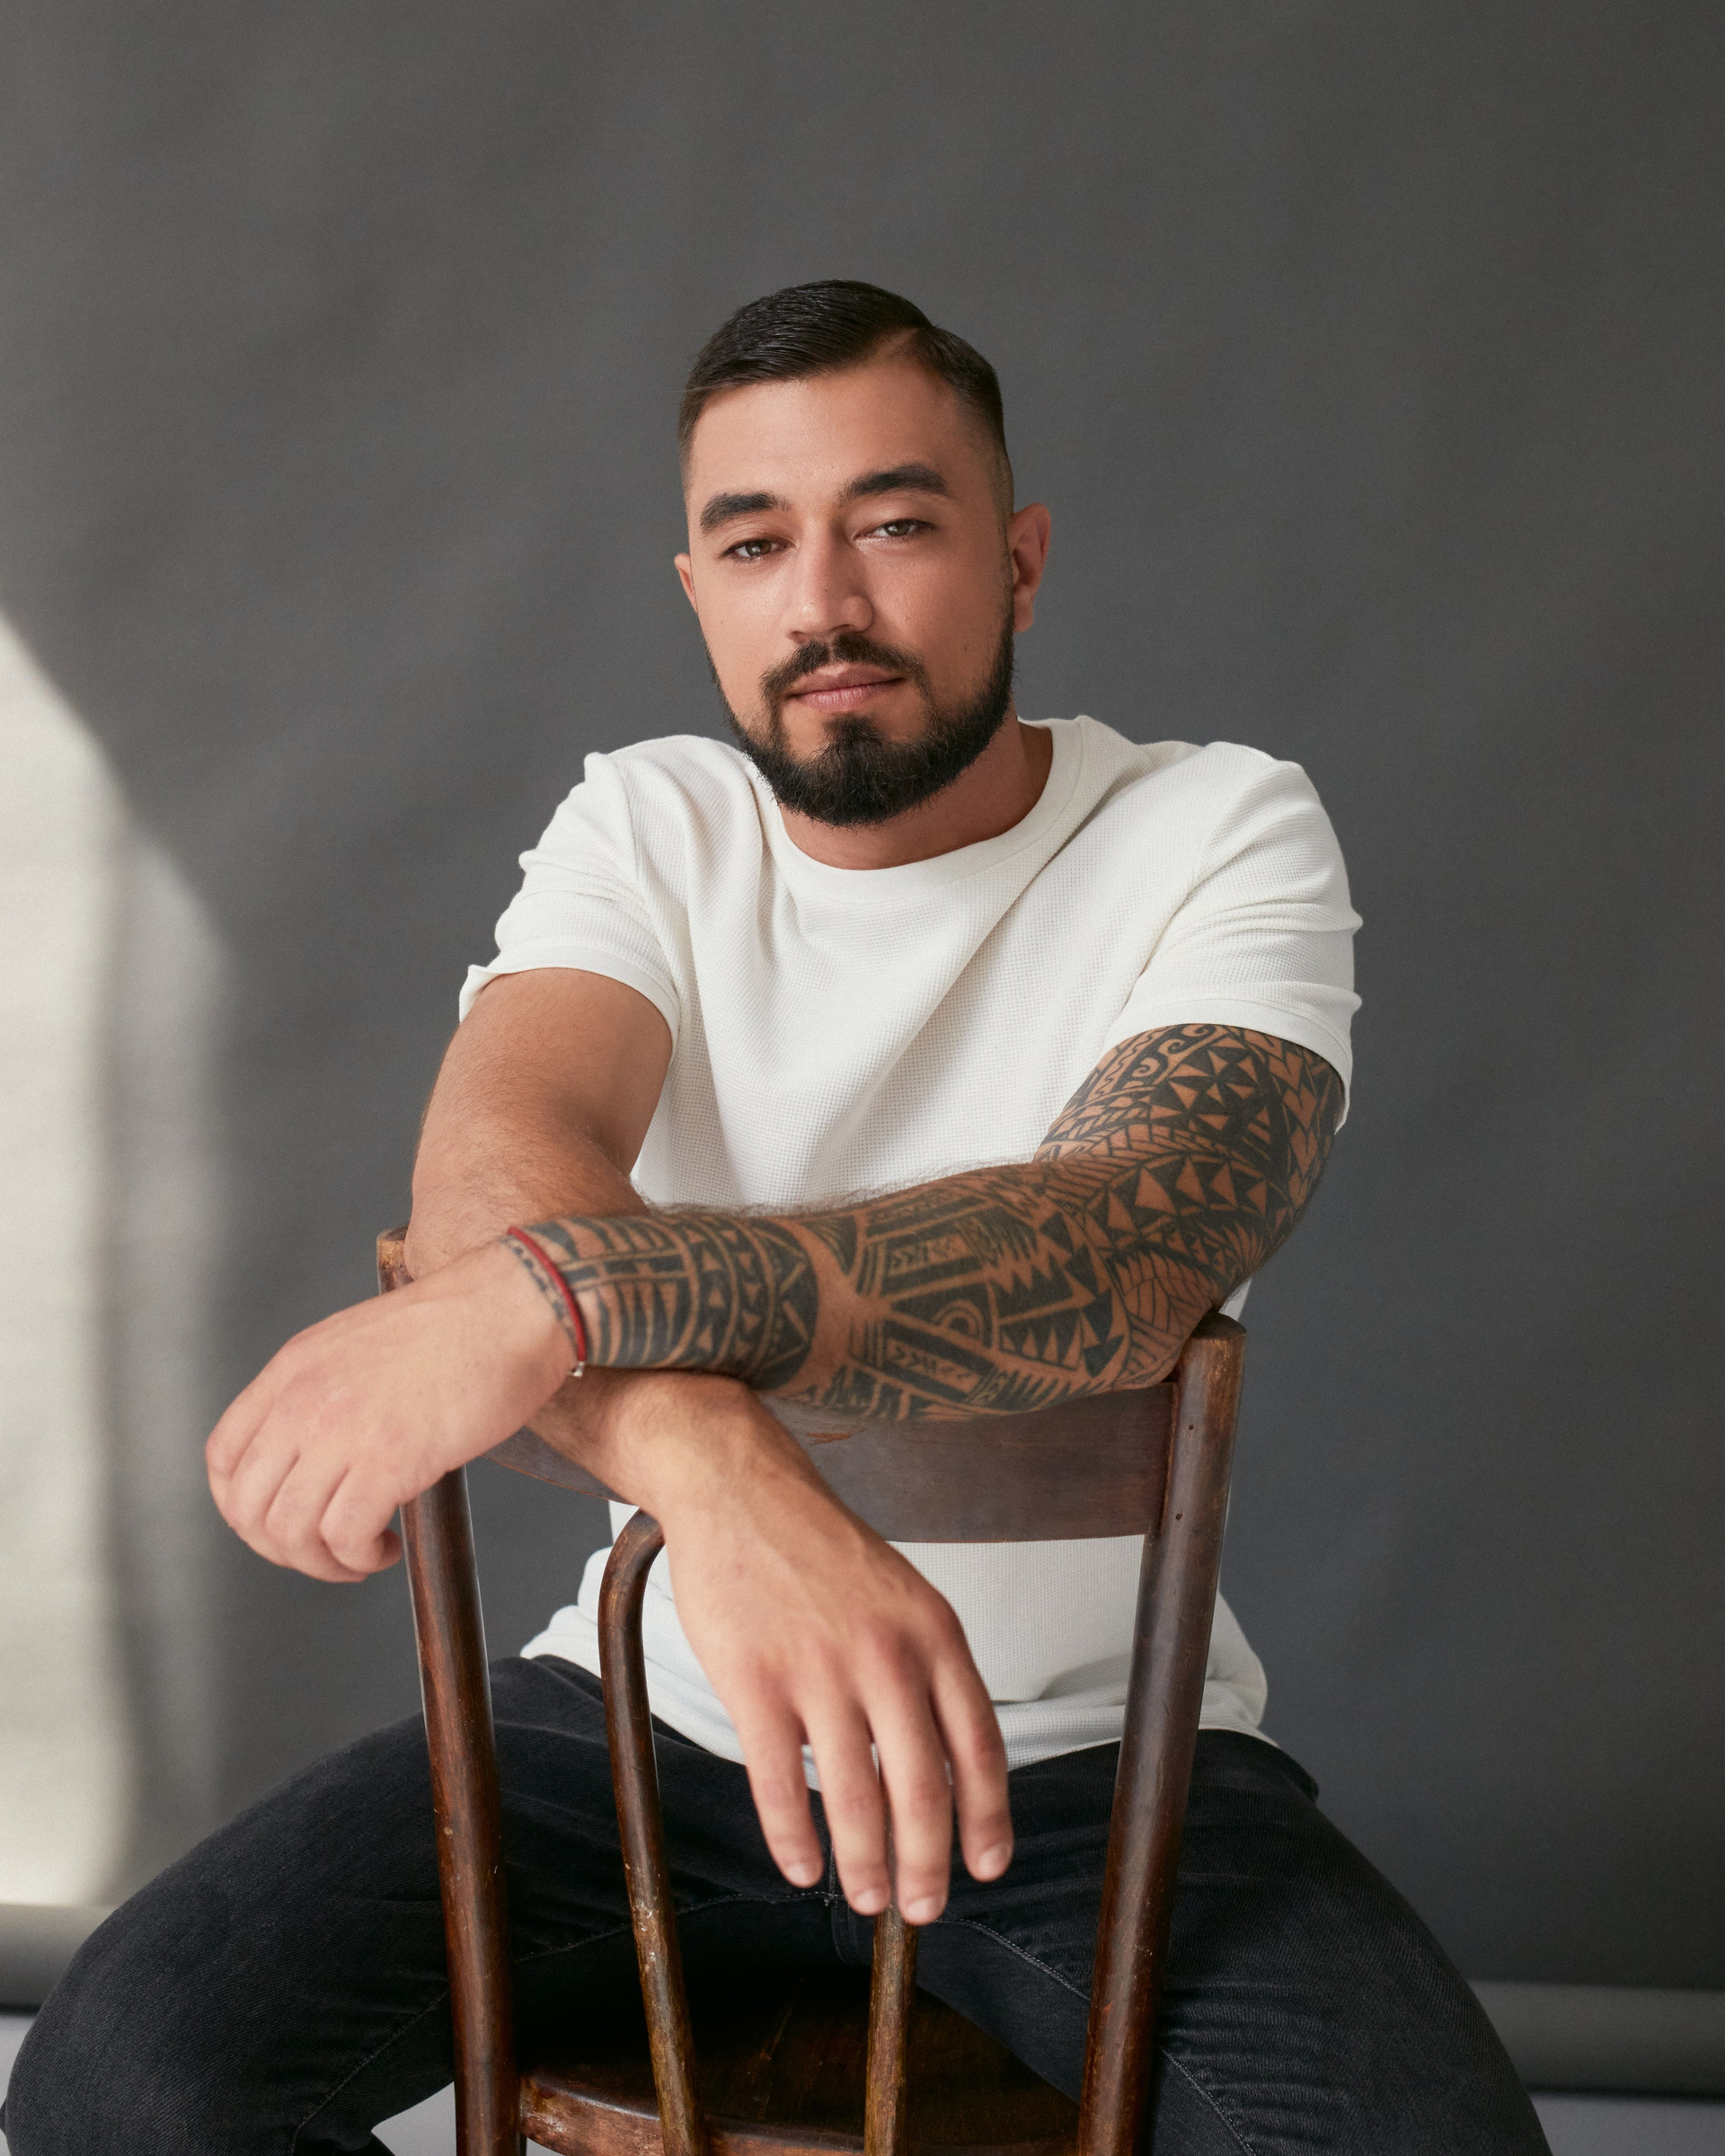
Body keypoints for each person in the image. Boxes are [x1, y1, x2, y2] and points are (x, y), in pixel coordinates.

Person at [5, 281, 1547, 2154]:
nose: (823, 601)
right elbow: (502, 1164)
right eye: (755, 544)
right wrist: (724, 1483)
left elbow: (1124, 1252)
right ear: (698, 592)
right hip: (645, 1732)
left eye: (893, 523)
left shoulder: (1212, 828)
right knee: (118, 2082)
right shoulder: (649, 827)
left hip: (1088, 1767)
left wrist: (548, 1302)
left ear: (1019, 560)